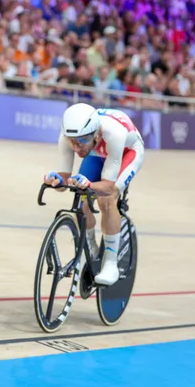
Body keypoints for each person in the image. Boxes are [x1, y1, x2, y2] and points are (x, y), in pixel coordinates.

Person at [44, 103, 145, 286]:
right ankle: (91, 247)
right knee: (82, 199)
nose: (76, 148)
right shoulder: (70, 136)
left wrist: (90, 184)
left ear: (96, 133)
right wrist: (57, 181)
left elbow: (107, 187)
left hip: (126, 151)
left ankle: (111, 263)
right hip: (97, 151)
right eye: (72, 141)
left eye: (81, 140)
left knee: (107, 198)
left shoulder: (114, 134)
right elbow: (65, 181)